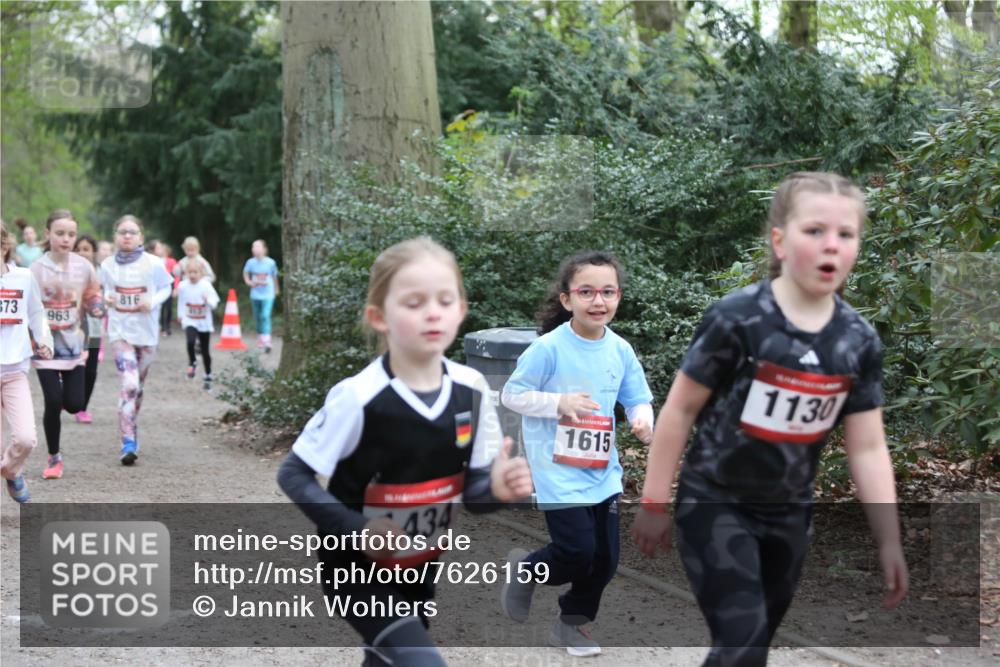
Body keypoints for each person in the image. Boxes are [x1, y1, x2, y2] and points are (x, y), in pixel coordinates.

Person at [631, 172, 909, 667]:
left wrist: (889, 539)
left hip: (789, 514)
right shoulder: (736, 318)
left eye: (846, 235)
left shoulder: (858, 340)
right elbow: (680, 409)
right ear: (780, 241)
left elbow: (867, 446)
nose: (831, 245)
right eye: (814, 231)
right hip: (715, 501)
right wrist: (654, 500)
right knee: (742, 641)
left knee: (751, 645)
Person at [277, 237, 533, 667]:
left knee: (386, 659)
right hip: (354, 570)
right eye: (413, 302)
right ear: (379, 317)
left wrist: (497, 489)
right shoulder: (359, 397)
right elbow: (293, 474)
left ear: (461, 310)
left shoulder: (470, 390)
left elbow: (471, 493)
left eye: (444, 300)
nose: (432, 312)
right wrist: (358, 527)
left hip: (419, 566)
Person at [499, 250, 654, 657]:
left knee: (604, 561)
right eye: (586, 292)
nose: (598, 301)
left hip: (603, 470)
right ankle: (528, 569)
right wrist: (558, 403)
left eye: (607, 292)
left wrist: (642, 420)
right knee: (576, 552)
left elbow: (637, 397)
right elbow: (511, 395)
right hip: (557, 469)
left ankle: (572, 624)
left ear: (618, 297)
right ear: (567, 299)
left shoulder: (620, 350)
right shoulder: (548, 348)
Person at [31, 210, 105, 480]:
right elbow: (28, 304)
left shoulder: (84, 267)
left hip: (74, 345)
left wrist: (97, 307)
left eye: (71, 234)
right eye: (60, 233)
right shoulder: (36, 269)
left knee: (74, 405)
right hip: (45, 346)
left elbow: (92, 295)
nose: (66, 239)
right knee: (52, 400)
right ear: (47, 233)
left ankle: (66, 402)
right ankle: (54, 456)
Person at [99, 215, 173, 466]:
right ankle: (128, 441)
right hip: (120, 332)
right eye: (122, 232)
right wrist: (107, 298)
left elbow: (167, 287)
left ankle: (131, 426)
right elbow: (103, 291)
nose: (127, 236)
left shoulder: (153, 263)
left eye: (132, 232)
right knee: (129, 385)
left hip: (147, 333)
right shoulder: (107, 264)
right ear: (115, 236)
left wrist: (152, 301)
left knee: (137, 388)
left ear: (141, 236)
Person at [1, 218, 53, 503]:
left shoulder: (22, 277)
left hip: (14, 371)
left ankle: (11, 472)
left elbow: (36, 312)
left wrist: (44, 340)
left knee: (25, 440)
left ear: (4, 246)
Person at [176, 259, 219, 390]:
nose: (193, 275)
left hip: (204, 321)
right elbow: (181, 301)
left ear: (201, 273)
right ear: (186, 273)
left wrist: (208, 300)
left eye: (195, 272)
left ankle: (208, 373)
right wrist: (180, 314)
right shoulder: (183, 286)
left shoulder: (206, 285)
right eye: (190, 272)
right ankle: (192, 362)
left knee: (205, 350)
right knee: (190, 342)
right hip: (190, 320)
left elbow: (215, 303)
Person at [73, 234, 102, 424]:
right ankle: (68, 396)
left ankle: (82, 408)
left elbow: (107, 299)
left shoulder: (101, 273)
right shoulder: (65, 272)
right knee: (71, 366)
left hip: (94, 329)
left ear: (93, 253)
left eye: (86, 249)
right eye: (78, 249)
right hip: (70, 330)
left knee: (90, 372)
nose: (82, 253)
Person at [242, 239, 280, 352]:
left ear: (264, 249)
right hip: (255, 294)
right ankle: (261, 338)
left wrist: (276, 289)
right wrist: (248, 282)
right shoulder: (250, 262)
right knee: (258, 317)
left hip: (268, 294)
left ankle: (267, 340)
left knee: (265, 315)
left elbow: (274, 276)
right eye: (253, 247)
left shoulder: (271, 262)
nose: (255, 249)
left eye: (258, 247)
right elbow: (245, 273)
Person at [155, 242, 178, 336]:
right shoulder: (156, 260)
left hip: (169, 285)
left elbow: (176, 276)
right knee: (160, 307)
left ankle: (167, 327)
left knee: (168, 308)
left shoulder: (172, 261)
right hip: (159, 286)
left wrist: (176, 288)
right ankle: (161, 327)